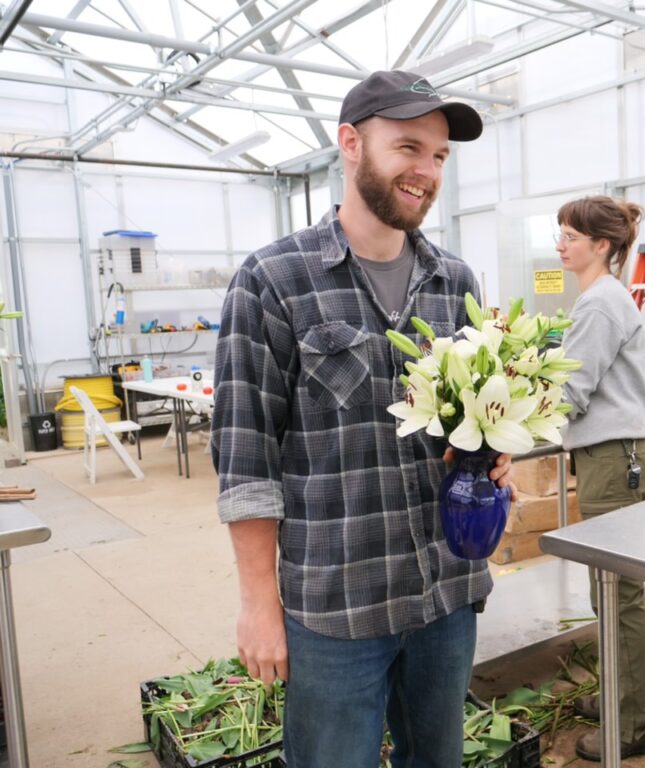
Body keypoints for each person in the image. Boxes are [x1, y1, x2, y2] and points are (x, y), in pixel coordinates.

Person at [211, 70, 514, 768]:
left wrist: (492, 451)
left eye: (439, 156)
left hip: (446, 590)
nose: (426, 171)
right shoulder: (273, 281)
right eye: (408, 147)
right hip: (337, 604)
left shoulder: (457, 284)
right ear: (351, 143)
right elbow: (246, 462)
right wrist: (259, 605)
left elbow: (469, 420)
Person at [555, 195, 645, 761]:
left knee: (619, 597)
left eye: (571, 235)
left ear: (602, 245)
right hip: (615, 458)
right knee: (611, 593)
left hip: (616, 462)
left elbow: (572, 390)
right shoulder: (602, 298)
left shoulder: (599, 304)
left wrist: (505, 418)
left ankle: (636, 725)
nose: (561, 244)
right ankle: (622, 695)